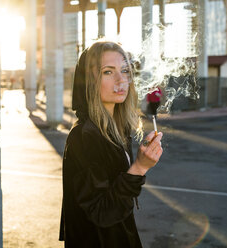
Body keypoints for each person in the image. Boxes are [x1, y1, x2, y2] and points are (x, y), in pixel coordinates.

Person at [59, 41, 163, 248]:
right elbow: (102, 212)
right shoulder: (84, 136)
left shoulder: (117, 129)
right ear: (89, 81)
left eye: (125, 71)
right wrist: (140, 167)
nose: (121, 79)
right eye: (108, 72)